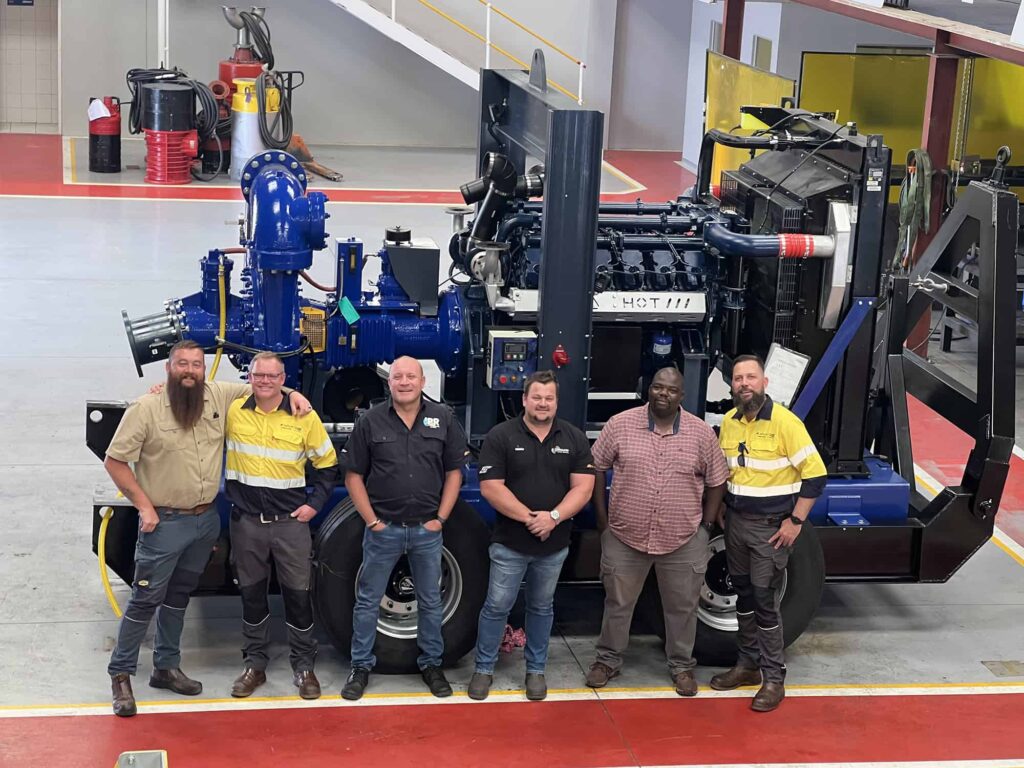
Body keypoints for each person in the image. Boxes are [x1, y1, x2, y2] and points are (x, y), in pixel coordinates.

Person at [103, 340, 311, 717]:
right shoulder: (146, 409)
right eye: (182, 364)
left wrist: (294, 393)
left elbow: (264, 385)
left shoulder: (218, 394)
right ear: (168, 369)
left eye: (196, 365)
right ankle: (120, 675)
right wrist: (144, 507)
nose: (190, 370)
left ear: (204, 370)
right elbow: (115, 461)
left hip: (204, 522)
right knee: (146, 599)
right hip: (164, 522)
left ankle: (166, 667)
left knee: (180, 594)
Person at [585, 366, 729, 696]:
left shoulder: (701, 433)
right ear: (648, 390)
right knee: (617, 603)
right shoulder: (620, 425)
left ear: (682, 396)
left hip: (683, 539)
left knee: (682, 607)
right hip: (624, 535)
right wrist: (603, 523)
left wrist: (705, 527)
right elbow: (596, 468)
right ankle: (607, 661)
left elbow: (717, 481)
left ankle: (681, 667)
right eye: (657, 387)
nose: (663, 394)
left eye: (671, 390)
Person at [341, 356, 470, 700]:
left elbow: (455, 471)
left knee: (430, 601)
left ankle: (431, 665)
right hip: (385, 530)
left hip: (427, 532)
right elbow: (353, 475)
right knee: (367, 601)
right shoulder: (370, 421)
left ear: (422, 381)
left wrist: (440, 519)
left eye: (410, 376)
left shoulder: (443, 418)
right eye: (398, 376)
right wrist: (372, 521)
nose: (404, 382)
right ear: (389, 382)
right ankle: (360, 666)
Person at [468, 371, 595, 702]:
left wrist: (552, 518)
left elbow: (584, 487)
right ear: (524, 399)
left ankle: (536, 670)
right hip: (509, 543)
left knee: (541, 607)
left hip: (553, 545)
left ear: (556, 402)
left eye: (549, 398)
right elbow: (491, 488)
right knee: (497, 606)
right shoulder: (501, 436)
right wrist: (530, 518)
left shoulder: (574, 438)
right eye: (536, 397)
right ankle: (483, 668)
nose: (542, 403)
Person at [711, 354, 827, 712]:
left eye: (751, 377)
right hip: (736, 524)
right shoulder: (730, 422)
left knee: (764, 600)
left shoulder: (785, 423)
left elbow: (816, 475)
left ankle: (773, 678)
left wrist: (795, 522)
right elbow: (728, 471)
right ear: (732, 385)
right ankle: (746, 665)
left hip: (770, 529)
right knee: (743, 596)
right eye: (738, 378)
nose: (744, 384)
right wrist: (719, 508)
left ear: (764, 383)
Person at [224, 352, 338, 701]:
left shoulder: (305, 416)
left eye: (273, 377)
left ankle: (303, 666)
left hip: (290, 525)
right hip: (247, 525)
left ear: (283, 378)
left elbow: (328, 465)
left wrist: (313, 506)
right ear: (250, 377)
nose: (265, 382)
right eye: (259, 375)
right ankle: (254, 664)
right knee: (252, 594)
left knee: (297, 595)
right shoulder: (234, 412)